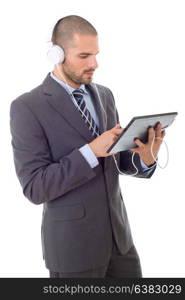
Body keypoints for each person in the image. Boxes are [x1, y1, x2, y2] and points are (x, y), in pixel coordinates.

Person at [10, 15, 165, 278]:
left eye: (96, 54)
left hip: (121, 245)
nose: (94, 64)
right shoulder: (27, 107)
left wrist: (145, 157)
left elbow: (114, 159)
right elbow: (35, 187)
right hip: (74, 251)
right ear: (56, 53)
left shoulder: (104, 94)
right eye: (84, 56)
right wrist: (90, 151)